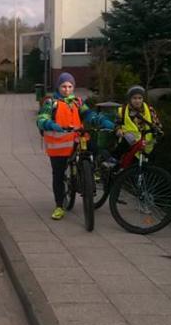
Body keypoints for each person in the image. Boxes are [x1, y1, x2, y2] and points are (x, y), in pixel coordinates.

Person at [36, 72, 114, 221]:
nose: (67, 89)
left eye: (70, 86)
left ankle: (92, 172)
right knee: (58, 175)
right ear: (58, 87)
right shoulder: (51, 103)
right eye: (63, 86)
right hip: (58, 146)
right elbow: (41, 119)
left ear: (73, 87)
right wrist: (51, 124)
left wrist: (102, 121)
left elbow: (89, 114)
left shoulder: (77, 102)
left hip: (77, 140)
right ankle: (59, 206)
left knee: (95, 148)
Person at [112, 85, 162, 161]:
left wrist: (157, 130)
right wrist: (118, 130)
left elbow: (157, 124)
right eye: (134, 98)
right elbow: (117, 124)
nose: (137, 101)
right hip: (128, 143)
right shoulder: (123, 110)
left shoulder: (150, 109)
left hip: (147, 143)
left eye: (140, 98)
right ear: (130, 99)